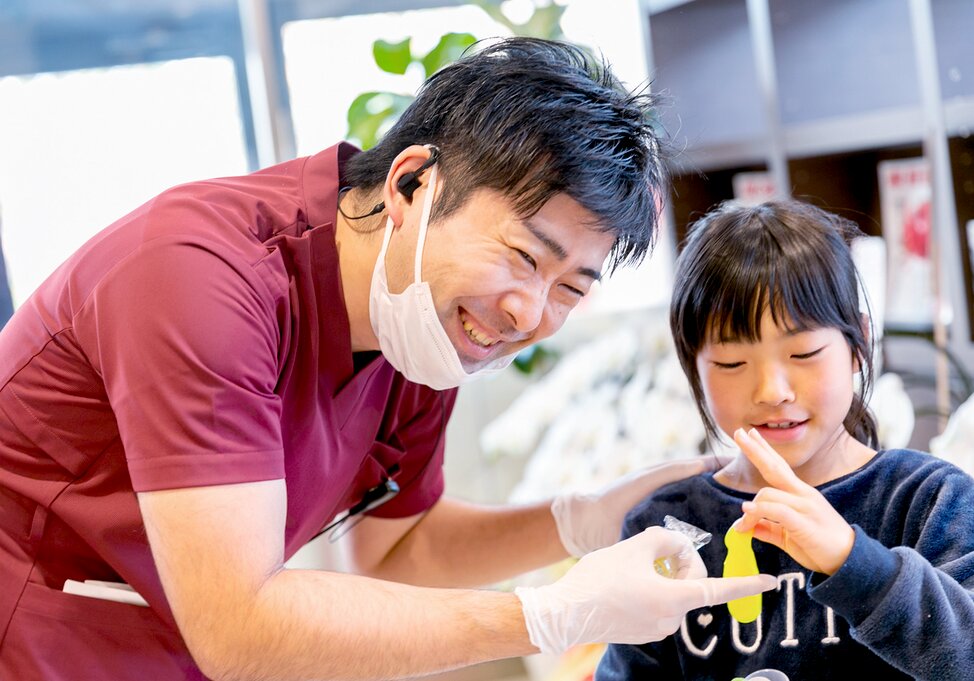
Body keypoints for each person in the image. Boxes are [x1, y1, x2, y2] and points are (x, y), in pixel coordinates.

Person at [0, 38, 774, 680]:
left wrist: (586, 519)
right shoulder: (196, 277)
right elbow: (241, 626)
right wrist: (550, 614)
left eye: (571, 286)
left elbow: (399, 550)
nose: (528, 313)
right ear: (411, 182)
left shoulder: (419, 322)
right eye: (523, 256)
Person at [595, 199, 974, 680]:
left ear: (857, 345)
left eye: (804, 352)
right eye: (732, 363)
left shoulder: (927, 499)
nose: (773, 391)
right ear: (693, 364)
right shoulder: (665, 524)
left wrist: (852, 561)